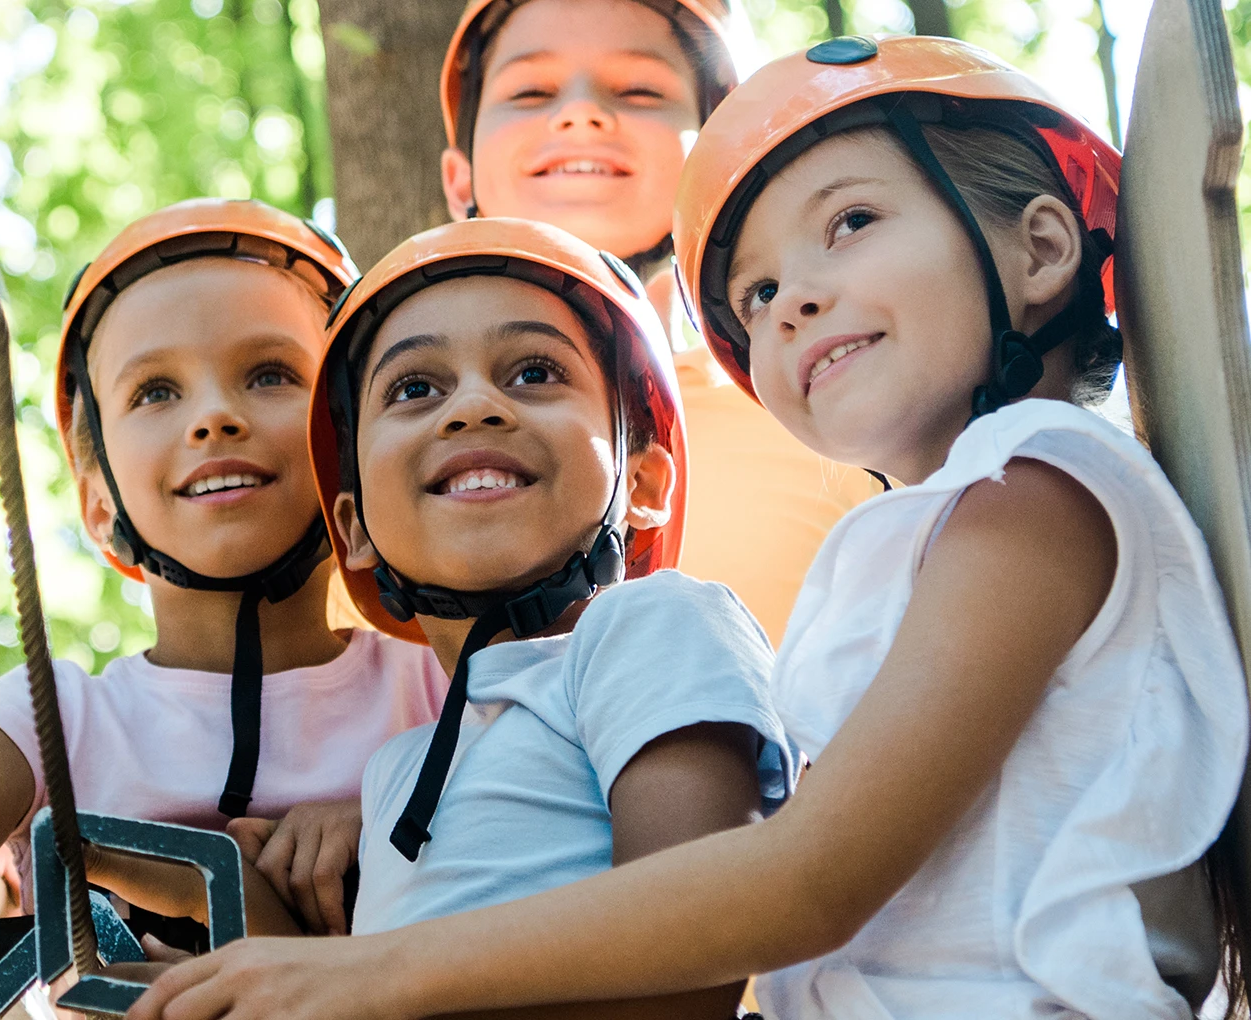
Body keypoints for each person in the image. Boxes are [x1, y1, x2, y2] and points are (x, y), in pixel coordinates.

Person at [128, 37, 1249, 1020]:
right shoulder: (943, 537)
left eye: (849, 223)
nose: (793, 301)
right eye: (755, 296)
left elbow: (808, 880)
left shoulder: (1038, 495)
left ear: (1043, 250)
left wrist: (372, 980)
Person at [128, 215, 793, 1018]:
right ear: (355, 530)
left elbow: (697, 945)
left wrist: (366, 979)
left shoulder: (656, 626)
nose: (473, 406)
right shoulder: (397, 773)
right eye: (416, 389)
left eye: (534, 372)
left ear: (645, 485)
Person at [0, 198, 448, 946]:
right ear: (98, 501)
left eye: (271, 374)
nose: (215, 416)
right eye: (156, 391)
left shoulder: (445, 687)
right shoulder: (50, 724)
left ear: (355, 448)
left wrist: (393, 812)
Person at [433, 0, 880, 645]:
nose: (580, 113)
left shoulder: (823, 426)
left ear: (718, 164)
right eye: (530, 91)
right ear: (460, 179)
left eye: (640, 90)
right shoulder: (383, 462)